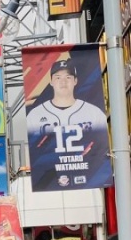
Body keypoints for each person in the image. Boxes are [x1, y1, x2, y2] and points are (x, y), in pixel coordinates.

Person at [25, 58, 109, 190]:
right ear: (52, 82)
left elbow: (104, 146)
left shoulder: (94, 112)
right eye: (58, 77)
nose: (63, 82)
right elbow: (31, 154)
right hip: (48, 180)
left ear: (75, 81)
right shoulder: (35, 115)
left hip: (90, 177)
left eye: (68, 77)